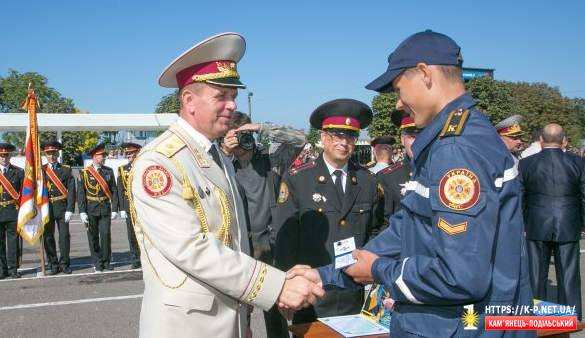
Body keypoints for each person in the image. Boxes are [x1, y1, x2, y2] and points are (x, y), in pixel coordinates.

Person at [289, 30, 534, 337]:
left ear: (424, 73)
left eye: (398, 89)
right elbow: (407, 230)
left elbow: (459, 276)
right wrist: (325, 275)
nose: (398, 103)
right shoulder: (451, 139)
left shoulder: (457, 148)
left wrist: (378, 270)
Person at [129, 32, 324, 338]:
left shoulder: (215, 155)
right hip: (187, 327)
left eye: (233, 95)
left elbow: (234, 241)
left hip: (228, 319)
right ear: (189, 101)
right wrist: (276, 286)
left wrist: (243, 319)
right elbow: (191, 248)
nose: (232, 105)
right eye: (221, 96)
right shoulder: (160, 162)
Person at [274, 98, 382, 324]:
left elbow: (376, 230)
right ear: (323, 137)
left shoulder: (368, 181)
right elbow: (284, 239)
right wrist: (285, 288)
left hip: (353, 291)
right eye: (336, 135)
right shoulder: (298, 179)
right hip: (311, 292)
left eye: (350, 136)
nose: (344, 142)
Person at [221, 111, 306, 338]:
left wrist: (261, 128)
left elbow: (300, 139)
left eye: (244, 135)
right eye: (234, 136)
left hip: (271, 245)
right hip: (241, 249)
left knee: (276, 314)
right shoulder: (222, 165)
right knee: (238, 316)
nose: (240, 142)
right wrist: (224, 153)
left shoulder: (271, 158)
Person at [520, 123, 583, 320]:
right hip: (568, 222)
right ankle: (570, 319)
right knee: (569, 274)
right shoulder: (579, 162)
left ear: (540, 141)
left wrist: (522, 224)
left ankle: (538, 319)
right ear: (564, 140)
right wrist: (582, 223)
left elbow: (520, 197)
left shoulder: (526, 163)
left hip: (536, 223)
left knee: (536, 274)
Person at [78, 143, 119, 272]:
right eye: (101, 156)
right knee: (93, 236)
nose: (103, 158)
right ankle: (97, 262)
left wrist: (114, 209)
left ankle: (106, 262)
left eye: (104, 155)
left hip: (105, 207)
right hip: (91, 208)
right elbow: (81, 194)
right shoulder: (84, 173)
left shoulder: (108, 171)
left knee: (106, 235)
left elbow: (114, 190)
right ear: (94, 157)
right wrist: (82, 211)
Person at [42, 141, 76, 275]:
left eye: (54, 153)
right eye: (49, 154)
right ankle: (53, 264)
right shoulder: (41, 170)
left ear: (57, 154)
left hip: (62, 207)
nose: (52, 156)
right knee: (48, 237)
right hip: (47, 207)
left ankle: (64, 264)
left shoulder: (66, 169)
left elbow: (72, 190)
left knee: (64, 237)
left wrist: (70, 209)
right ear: (45, 155)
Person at [376, 112, 419, 219]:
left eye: (424, 134)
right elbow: (383, 225)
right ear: (402, 140)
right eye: (412, 136)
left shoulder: (443, 171)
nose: (418, 141)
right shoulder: (387, 177)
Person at [117, 142, 142, 269]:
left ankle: (147, 257)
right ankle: (135, 259)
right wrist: (121, 208)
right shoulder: (122, 169)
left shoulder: (143, 166)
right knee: (132, 234)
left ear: (137, 153)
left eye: (131, 153)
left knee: (145, 233)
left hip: (143, 205)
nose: (129, 155)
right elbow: (120, 190)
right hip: (129, 205)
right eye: (127, 154)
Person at [0, 143, 23, 279]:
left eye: (6, 155)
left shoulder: (18, 172)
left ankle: (13, 269)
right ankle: (2, 269)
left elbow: (24, 193)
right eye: (1, 155)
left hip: (12, 212)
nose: (4, 158)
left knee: (13, 242)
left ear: (10, 156)